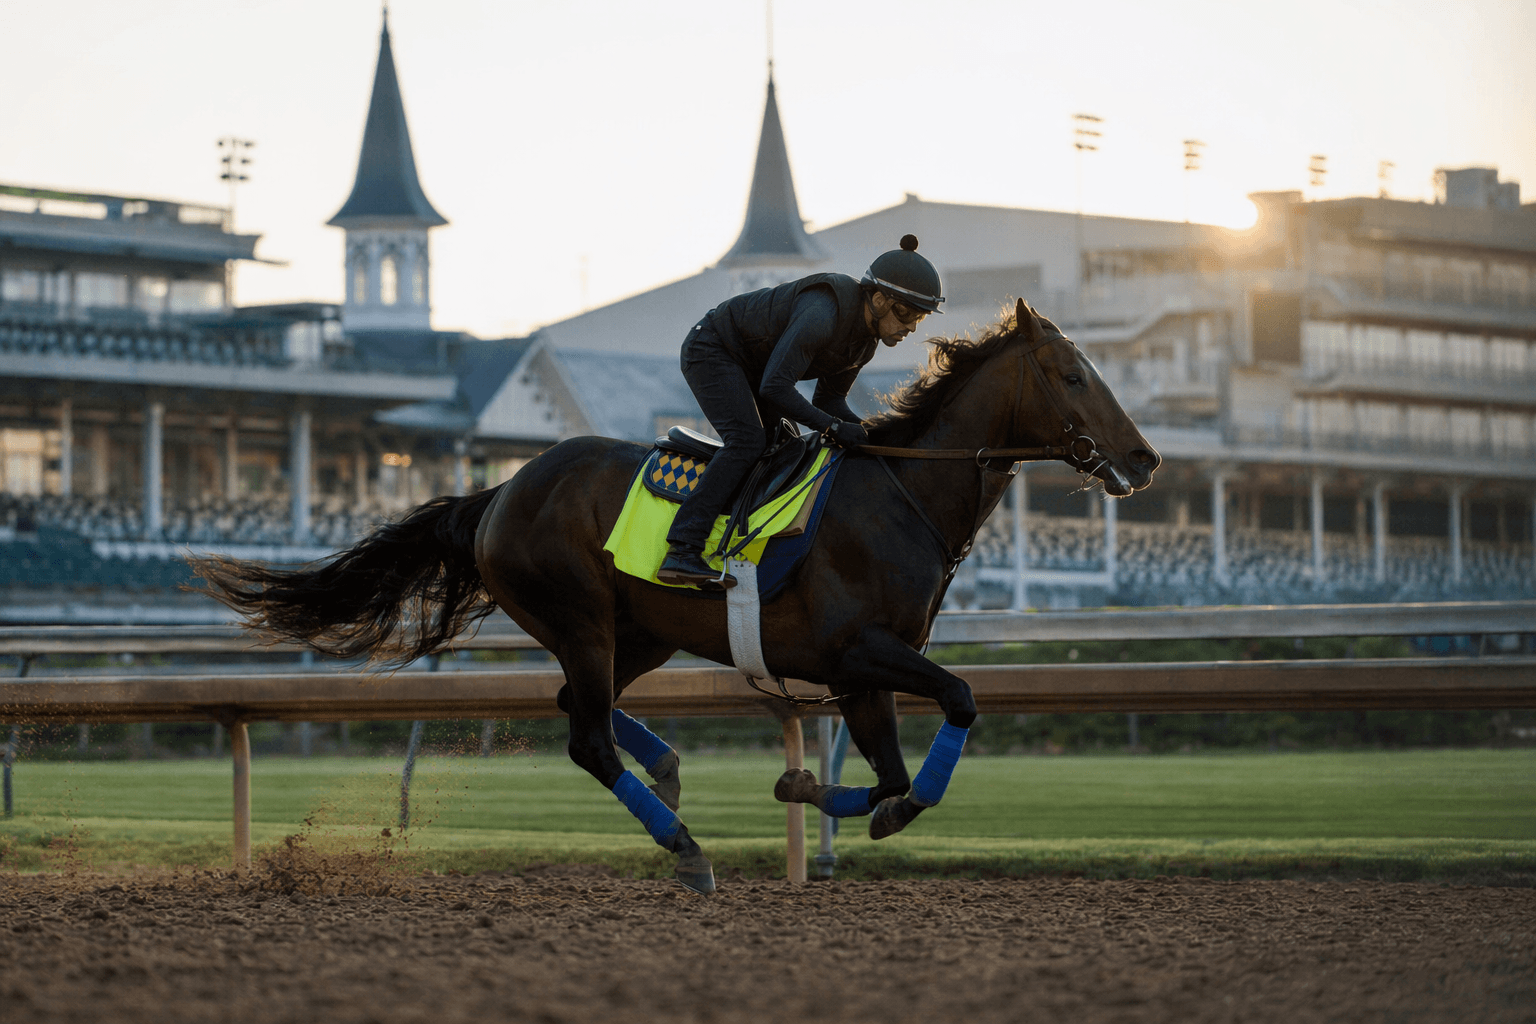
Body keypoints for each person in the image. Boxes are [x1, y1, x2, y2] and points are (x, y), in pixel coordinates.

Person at [656, 234, 944, 589]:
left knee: (787, 448)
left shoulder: (864, 344)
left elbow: (829, 403)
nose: (912, 326)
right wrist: (833, 427)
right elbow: (775, 388)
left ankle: (737, 543)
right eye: (907, 313)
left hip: (754, 369)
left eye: (921, 317)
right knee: (748, 441)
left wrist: (873, 433)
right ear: (880, 299)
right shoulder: (823, 313)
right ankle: (682, 549)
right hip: (712, 347)